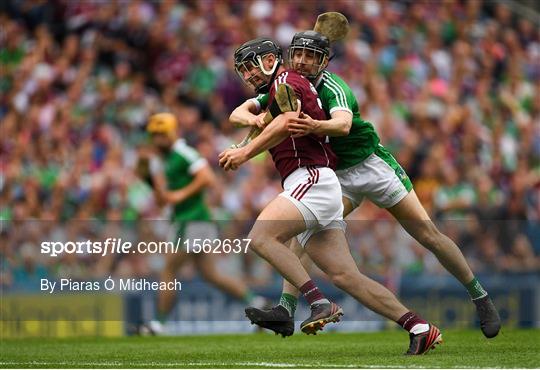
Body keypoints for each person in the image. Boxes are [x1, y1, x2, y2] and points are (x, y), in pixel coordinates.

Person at [233, 31, 501, 341]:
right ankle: (288, 308)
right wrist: (251, 120)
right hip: (335, 175)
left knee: (427, 234)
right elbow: (246, 107)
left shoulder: (334, 86)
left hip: (370, 165)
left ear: (323, 61)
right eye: (299, 55)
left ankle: (479, 296)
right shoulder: (285, 83)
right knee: (300, 234)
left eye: (311, 56)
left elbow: (343, 125)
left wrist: (313, 126)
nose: (303, 62)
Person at [139, 112, 266, 334]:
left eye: (161, 134)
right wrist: (149, 181)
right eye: (154, 135)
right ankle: (257, 303)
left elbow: (207, 177)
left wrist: (181, 195)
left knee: (169, 270)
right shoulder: (166, 158)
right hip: (193, 219)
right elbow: (164, 199)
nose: (157, 139)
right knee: (211, 275)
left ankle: (158, 324)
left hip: (192, 219)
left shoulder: (183, 152)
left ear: (171, 132)